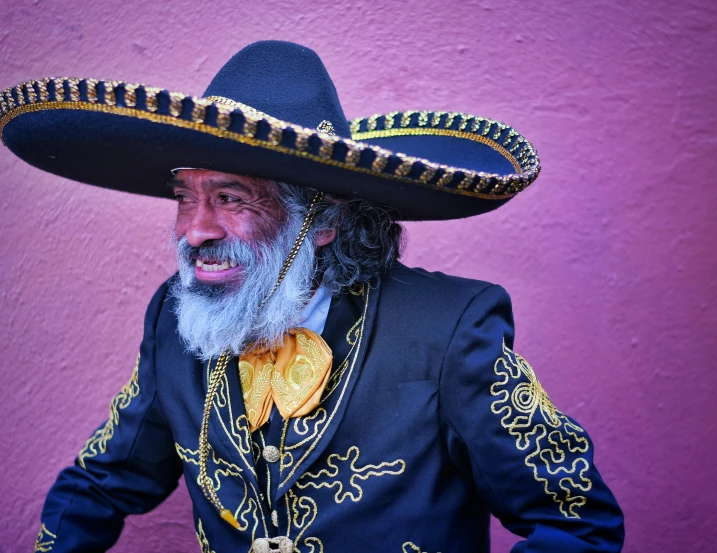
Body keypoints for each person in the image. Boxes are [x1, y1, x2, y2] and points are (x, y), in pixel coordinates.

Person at [1, 40, 624, 553]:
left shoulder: (450, 328)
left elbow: (578, 523)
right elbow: (99, 484)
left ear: (320, 221)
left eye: (231, 198)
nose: (195, 230)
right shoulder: (175, 318)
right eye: (185, 197)